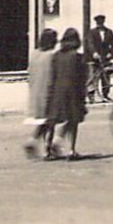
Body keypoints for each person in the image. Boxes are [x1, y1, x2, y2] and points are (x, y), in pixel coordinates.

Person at [44, 27, 88, 159]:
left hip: (57, 91)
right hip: (73, 92)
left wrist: (50, 92)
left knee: (52, 121)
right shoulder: (78, 57)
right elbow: (82, 78)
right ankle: (71, 150)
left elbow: (52, 75)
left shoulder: (56, 56)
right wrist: (83, 95)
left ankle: (47, 149)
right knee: (73, 120)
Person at [24, 28, 58, 159]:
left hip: (35, 91)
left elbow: (30, 73)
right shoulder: (52, 56)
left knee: (43, 121)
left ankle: (33, 141)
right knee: (51, 122)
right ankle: (46, 149)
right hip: (49, 91)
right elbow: (53, 75)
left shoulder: (34, 54)